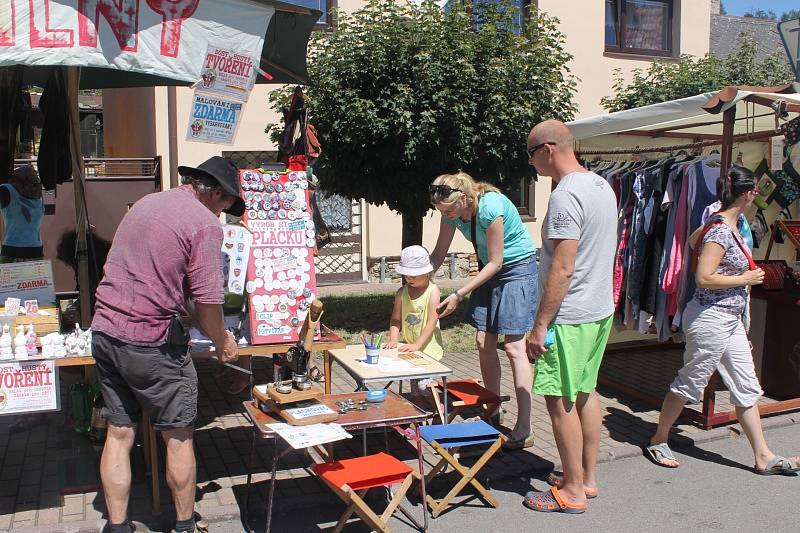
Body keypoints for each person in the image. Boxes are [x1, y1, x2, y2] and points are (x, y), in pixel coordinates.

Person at [91, 156, 243, 533]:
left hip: (106, 330)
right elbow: (209, 303)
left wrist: (181, 308)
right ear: (217, 194)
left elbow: (145, 271)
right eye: (227, 204)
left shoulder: (148, 202)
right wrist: (223, 341)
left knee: (120, 432)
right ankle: (185, 525)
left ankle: (118, 526)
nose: (226, 213)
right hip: (150, 341)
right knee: (177, 437)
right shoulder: (205, 224)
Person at [647, 166, 800, 475]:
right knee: (692, 382)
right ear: (747, 194)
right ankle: (659, 438)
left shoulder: (722, 223)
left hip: (727, 319)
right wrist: (746, 276)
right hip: (710, 318)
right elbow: (703, 277)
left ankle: (763, 456)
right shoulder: (719, 230)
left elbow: (692, 242)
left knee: (746, 385)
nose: (757, 195)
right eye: (755, 191)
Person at [523, 120, 617, 514]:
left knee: (560, 401)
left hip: (570, 316)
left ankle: (574, 491)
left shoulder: (566, 195)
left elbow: (563, 267)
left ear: (547, 149)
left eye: (530, 155)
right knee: (584, 393)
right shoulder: (601, 185)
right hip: (597, 310)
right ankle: (586, 479)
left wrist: (540, 324)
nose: (530, 164)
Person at [429, 171, 539, 450]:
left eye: (451, 210)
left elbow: (497, 262)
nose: (449, 216)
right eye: (443, 211)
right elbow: (439, 253)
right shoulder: (451, 211)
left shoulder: (491, 207)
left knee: (515, 348)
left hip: (516, 269)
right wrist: (417, 280)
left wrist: (459, 293)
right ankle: (493, 407)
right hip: (490, 269)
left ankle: (525, 427)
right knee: (482, 341)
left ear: (465, 198)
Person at [383, 245, 444, 391]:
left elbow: (432, 321)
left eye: (414, 275)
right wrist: (393, 339)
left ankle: (438, 409)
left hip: (428, 349)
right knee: (416, 391)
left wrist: (417, 344)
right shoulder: (401, 293)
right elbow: (396, 320)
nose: (409, 278)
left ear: (427, 272)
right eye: (406, 275)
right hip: (410, 349)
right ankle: (426, 410)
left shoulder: (432, 291)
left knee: (424, 386)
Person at [0, 164, 44, 263]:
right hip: (36, 250)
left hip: (11, 249)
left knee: (8, 279)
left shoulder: (6, 190)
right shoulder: (39, 195)